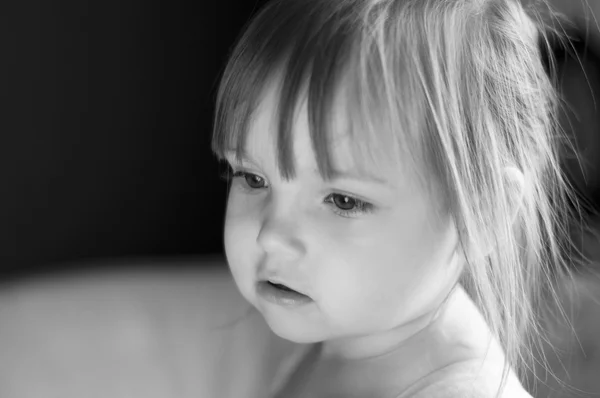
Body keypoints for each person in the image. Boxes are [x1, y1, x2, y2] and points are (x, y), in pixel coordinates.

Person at [210, 0, 591, 397]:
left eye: (343, 201)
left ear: (483, 214)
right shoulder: (343, 340)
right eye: (252, 177)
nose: (270, 235)